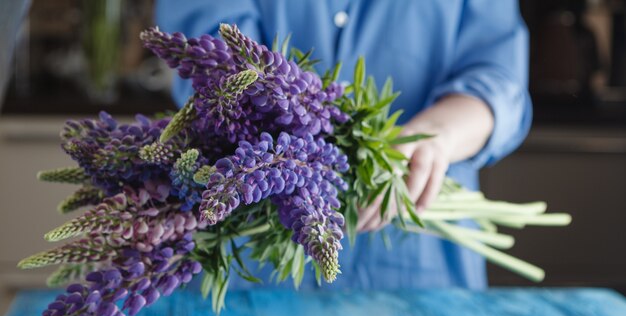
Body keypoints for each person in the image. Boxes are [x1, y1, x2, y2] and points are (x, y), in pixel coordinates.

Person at [155, 0, 532, 290]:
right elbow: (216, 71)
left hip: (420, 270)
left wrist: (432, 138)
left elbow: (499, 79)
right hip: (259, 267)